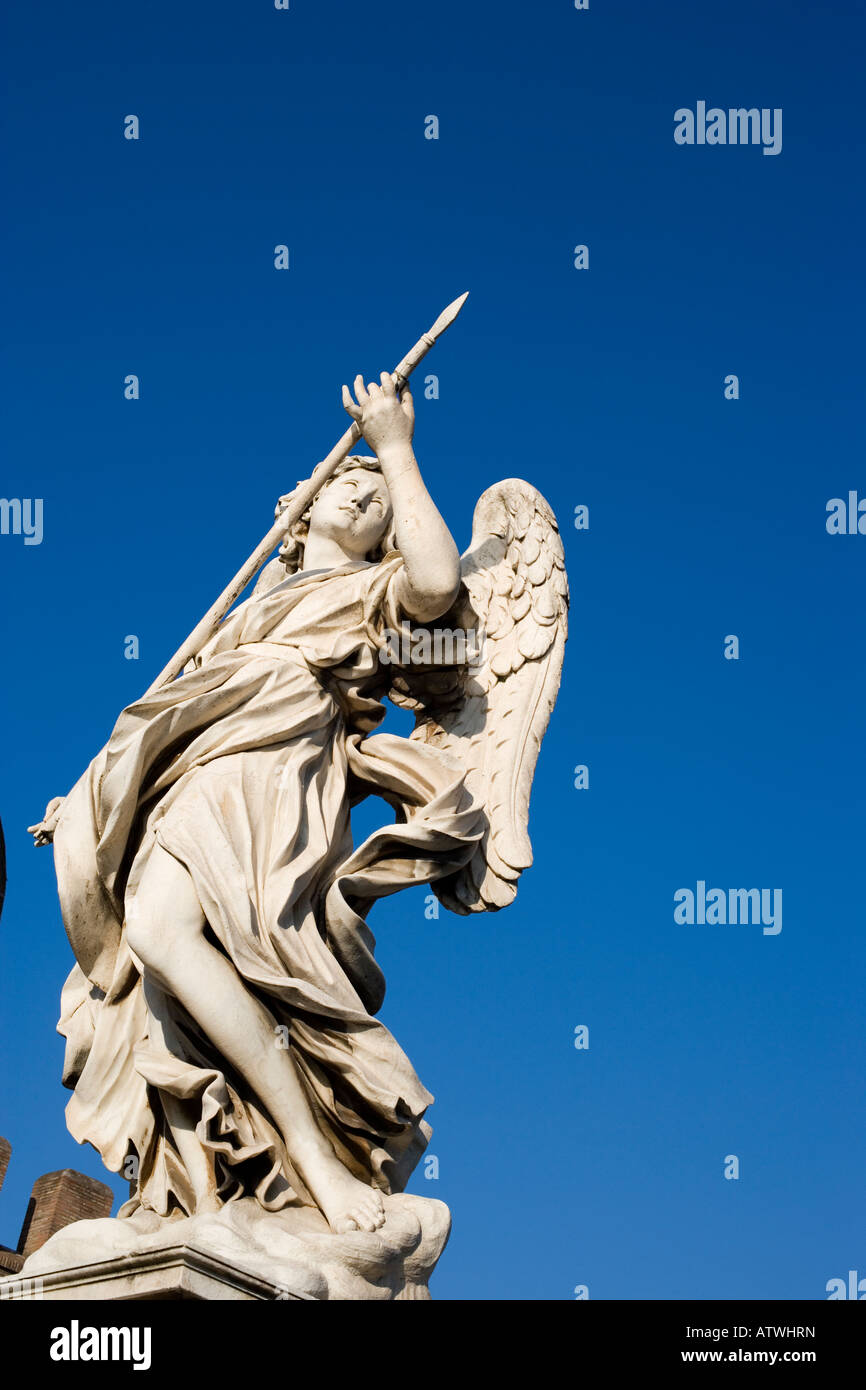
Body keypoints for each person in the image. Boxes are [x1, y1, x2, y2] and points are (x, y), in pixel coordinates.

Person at [30, 373, 483, 1234]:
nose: (365, 493)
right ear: (301, 509)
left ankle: (313, 1157)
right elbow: (168, 722)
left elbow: (434, 584)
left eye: (380, 498)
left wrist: (394, 446)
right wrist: (94, 799)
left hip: (275, 768)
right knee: (159, 957)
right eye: (347, 478)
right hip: (197, 774)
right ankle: (204, 1185)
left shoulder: (370, 593)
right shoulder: (253, 610)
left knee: (178, 935)